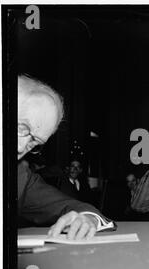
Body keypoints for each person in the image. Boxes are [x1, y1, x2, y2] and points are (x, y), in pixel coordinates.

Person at [18, 75, 116, 239]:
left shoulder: (20, 178)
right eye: (21, 128)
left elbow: (73, 207)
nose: (20, 147)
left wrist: (88, 219)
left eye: (33, 142)